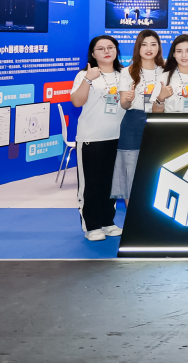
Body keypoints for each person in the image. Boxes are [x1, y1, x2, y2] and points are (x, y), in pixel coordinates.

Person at [69, 36, 124, 241]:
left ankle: (108, 222)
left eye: (110, 47)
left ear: (116, 50)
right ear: (93, 53)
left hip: (117, 137)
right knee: (91, 185)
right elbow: (76, 102)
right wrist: (88, 79)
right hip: (91, 138)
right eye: (100, 48)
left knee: (111, 185)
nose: (106, 51)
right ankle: (91, 226)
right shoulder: (84, 74)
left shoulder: (125, 74)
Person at [111, 29, 163, 203]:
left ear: (159, 47)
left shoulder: (165, 71)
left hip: (158, 122)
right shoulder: (128, 71)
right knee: (129, 170)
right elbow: (124, 105)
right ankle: (131, 214)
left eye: (153, 44)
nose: (149, 48)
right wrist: (128, 99)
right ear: (138, 47)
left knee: (156, 167)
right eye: (144, 44)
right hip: (133, 122)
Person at [154, 34, 188, 114]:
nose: (183, 55)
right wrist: (160, 98)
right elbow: (155, 113)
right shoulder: (164, 77)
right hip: (171, 121)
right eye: (179, 51)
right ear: (174, 54)